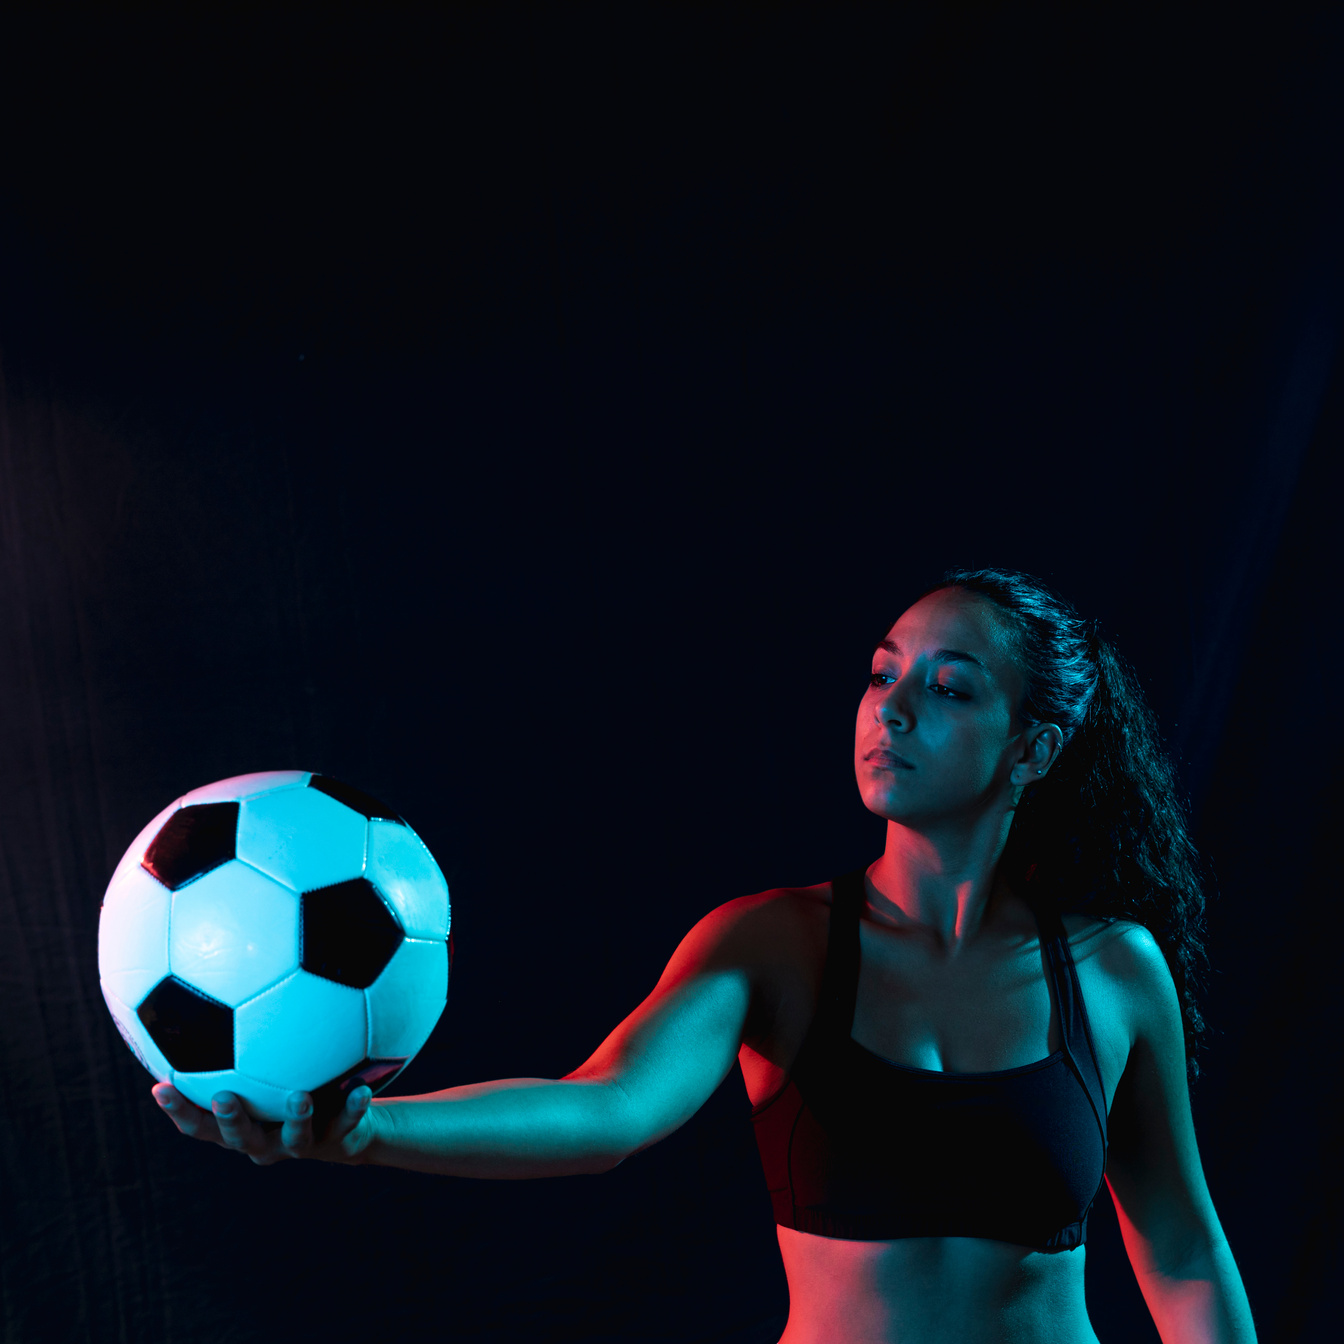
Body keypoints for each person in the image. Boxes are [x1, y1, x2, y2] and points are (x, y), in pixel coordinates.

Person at [153, 568, 1256, 1344]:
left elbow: (1183, 1250)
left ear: (1036, 748)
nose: (894, 710)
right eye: (882, 675)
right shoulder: (775, 944)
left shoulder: (1112, 972)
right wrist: (369, 1135)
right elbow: (605, 1112)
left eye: (950, 688)